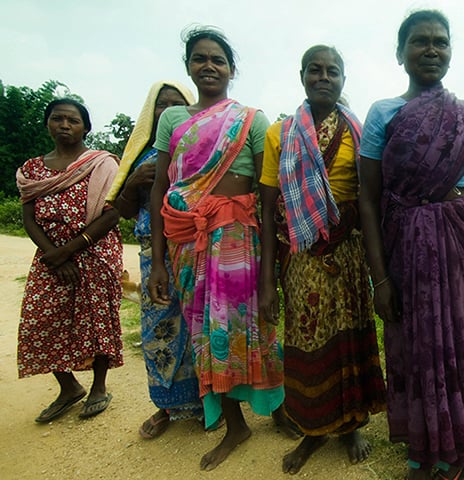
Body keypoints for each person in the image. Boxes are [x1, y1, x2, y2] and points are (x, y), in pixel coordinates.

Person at [359, 10, 464, 480]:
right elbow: (368, 198)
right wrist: (380, 279)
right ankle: (420, 455)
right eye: (420, 41)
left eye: (441, 41)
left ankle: (453, 455)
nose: (432, 50)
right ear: (400, 53)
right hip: (406, 249)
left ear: (451, 52)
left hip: (461, 247)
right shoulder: (383, 113)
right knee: (413, 349)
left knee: (458, 347)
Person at [148, 27, 284, 470]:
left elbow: (268, 193)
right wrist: (158, 262)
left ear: (231, 69)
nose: (208, 66)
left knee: (254, 327)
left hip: (238, 237)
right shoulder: (173, 119)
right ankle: (235, 425)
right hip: (187, 239)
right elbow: (160, 186)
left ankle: (278, 408)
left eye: (218, 60)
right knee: (207, 333)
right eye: (200, 58)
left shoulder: (251, 119)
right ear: (188, 66)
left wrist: (273, 265)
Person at [260, 45, 387, 475]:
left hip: (348, 253)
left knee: (350, 338)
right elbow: (267, 209)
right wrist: (266, 282)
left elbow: (371, 198)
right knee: (307, 342)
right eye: (315, 70)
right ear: (302, 76)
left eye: (333, 71)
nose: (324, 77)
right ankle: (312, 430)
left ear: (343, 80)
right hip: (301, 256)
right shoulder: (279, 134)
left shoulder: (359, 131)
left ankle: (351, 426)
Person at [107, 81, 205, 438]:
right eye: (162, 104)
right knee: (158, 328)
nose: (169, 111)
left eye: (177, 104)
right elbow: (122, 210)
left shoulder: (202, 150)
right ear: (151, 112)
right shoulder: (142, 154)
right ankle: (166, 406)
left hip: (196, 248)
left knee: (201, 327)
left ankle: (209, 403)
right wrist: (134, 181)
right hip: (153, 254)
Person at [16, 98, 122, 423]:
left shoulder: (102, 164)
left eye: (72, 120)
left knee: (97, 319)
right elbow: (29, 217)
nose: (64, 125)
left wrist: (71, 249)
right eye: (57, 118)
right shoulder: (32, 169)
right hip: (50, 256)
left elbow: (113, 212)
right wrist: (56, 256)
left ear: (85, 128)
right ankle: (69, 387)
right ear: (47, 123)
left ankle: (99, 387)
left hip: (95, 250)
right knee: (41, 320)